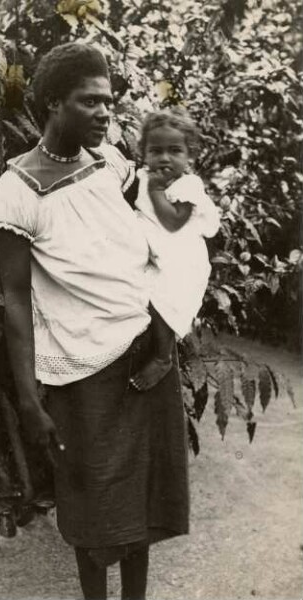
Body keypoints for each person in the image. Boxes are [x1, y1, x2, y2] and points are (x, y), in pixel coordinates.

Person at [0, 42, 189, 600]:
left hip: (144, 354)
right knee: (95, 511)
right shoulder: (16, 193)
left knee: (142, 503)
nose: (105, 112)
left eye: (109, 101)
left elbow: (136, 248)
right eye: (89, 102)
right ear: (54, 103)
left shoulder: (110, 162)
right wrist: (29, 399)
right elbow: (16, 299)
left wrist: (163, 344)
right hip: (84, 369)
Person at [131, 107, 220, 392]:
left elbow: (173, 222)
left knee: (162, 298)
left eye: (174, 151)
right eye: (156, 150)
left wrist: (157, 191)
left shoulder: (188, 185)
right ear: (144, 152)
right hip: (151, 247)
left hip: (180, 256)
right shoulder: (141, 178)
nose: (164, 158)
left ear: (188, 155)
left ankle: (162, 356)